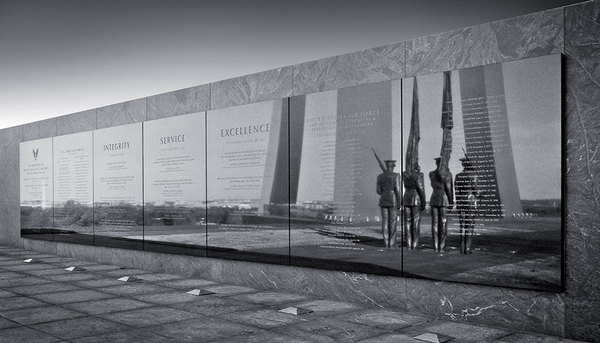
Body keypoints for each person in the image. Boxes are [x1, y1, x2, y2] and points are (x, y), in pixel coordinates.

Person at [454, 157, 480, 254]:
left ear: (463, 165)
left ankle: (462, 248)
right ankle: (467, 248)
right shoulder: (474, 175)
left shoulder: (458, 176)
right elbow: (476, 192)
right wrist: (482, 193)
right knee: (469, 226)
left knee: (462, 226)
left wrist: (458, 202)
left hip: (461, 202)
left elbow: (456, 191)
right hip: (471, 203)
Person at [429, 157, 454, 253]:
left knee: (434, 224)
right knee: (443, 223)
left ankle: (435, 246)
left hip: (434, 198)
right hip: (443, 198)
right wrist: (451, 202)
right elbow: (448, 189)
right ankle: (441, 246)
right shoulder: (447, 174)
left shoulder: (431, 174)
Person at [376, 160, 401, 248]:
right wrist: (399, 202)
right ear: (393, 166)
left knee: (385, 221)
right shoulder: (396, 175)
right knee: (392, 222)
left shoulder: (380, 176)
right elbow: (398, 190)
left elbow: (378, 191)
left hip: (383, 199)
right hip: (393, 200)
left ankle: (386, 242)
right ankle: (392, 242)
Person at [403, 163, 426, 250]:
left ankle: (408, 244)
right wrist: (423, 202)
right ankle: (414, 244)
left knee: (407, 222)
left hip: (406, 198)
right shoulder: (419, 175)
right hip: (416, 198)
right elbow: (421, 189)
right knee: (415, 222)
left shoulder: (404, 174)